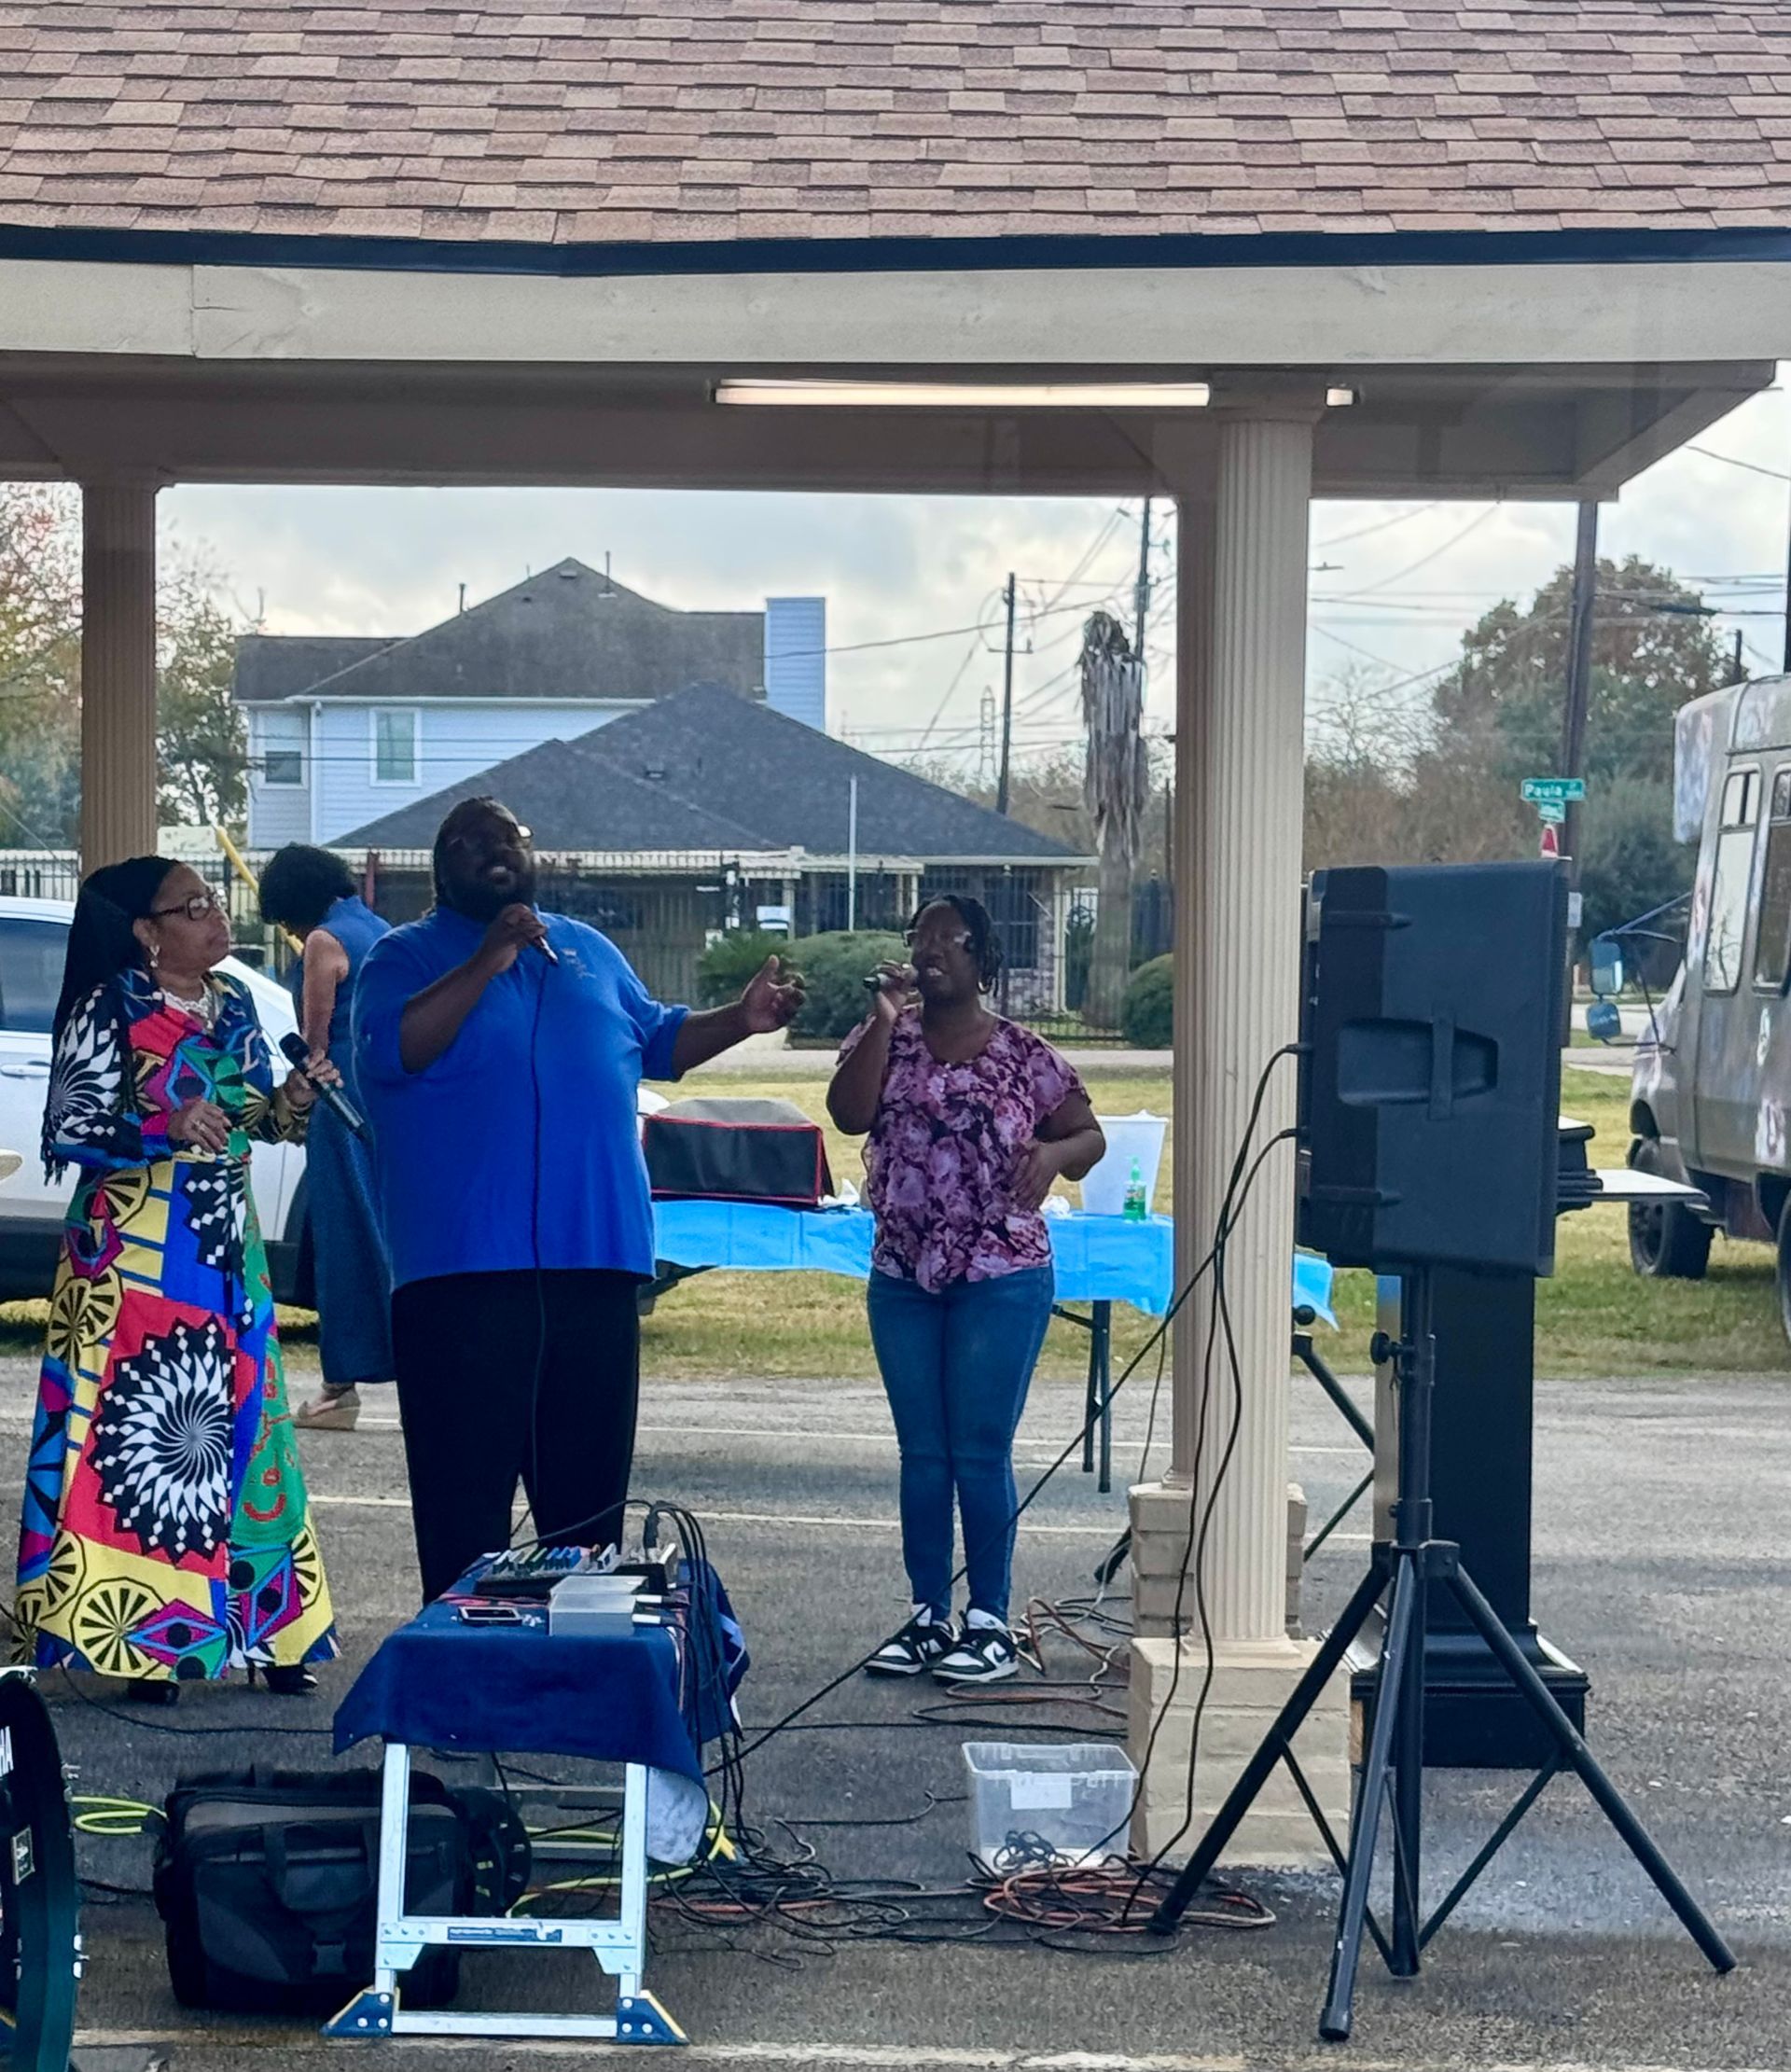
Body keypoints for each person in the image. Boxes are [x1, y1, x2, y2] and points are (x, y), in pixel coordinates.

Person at [354, 798, 805, 1605]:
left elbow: (659, 1037)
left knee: (588, 1516)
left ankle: (572, 1664)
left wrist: (741, 1019)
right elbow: (393, 1050)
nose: (497, 850)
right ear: (440, 868)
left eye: (511, 837)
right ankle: (466, 1668)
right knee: (464, 1511)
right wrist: (487, 960)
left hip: (594, 1264)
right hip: (463, 1276)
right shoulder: (403, 956)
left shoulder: (587, 948)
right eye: (473, 841)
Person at [13, 857, 340, 1701]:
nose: (214, 915)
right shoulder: (109, 1006)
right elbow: (72, 1126)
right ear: (146, 932)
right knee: (145, 1436)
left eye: (214, 900)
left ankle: (271, 1632)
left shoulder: (233, 1006)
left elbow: (258, 1120)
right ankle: (147, 1644)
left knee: (249, 1431)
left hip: (226, 1247)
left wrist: (297, 1094)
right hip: (130, 1257)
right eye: (192, 906)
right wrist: (165, 1124)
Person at [828, 896, 1104, 1686]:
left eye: (951, 940)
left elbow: (1089, 1136)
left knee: (978, 1450)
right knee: (923, 1452)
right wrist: (883, 1019)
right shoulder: (887, 1035)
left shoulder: (1023, 1052)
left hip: (1000, 1272)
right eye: (922, 937)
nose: (932, 950)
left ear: (984, 961)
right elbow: (849, 1114)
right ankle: (927, 1614)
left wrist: (1052, 1157)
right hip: (903, 1272)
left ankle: (987, 1620)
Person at [257, 844, 394, 1434]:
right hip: (383, 1097)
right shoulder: (377, 929)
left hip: (339, 1102)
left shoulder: (322, 940)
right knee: (387, 1229)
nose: (289, 931)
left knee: (343, 1240)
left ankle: (340, 1387)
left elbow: (313, 1042)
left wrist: (294, 1096)